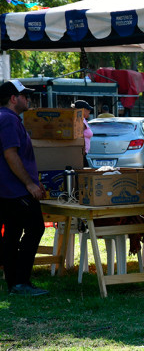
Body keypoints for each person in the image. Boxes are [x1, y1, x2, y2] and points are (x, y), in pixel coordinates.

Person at [0, 80, 48, 296]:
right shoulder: (8, 120)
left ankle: (13, 283)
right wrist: (29, 184)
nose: (28, 99)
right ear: (13, 98)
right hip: (16, 190)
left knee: (12, 234)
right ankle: (20, 282)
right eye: (24, 95)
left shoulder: (8, 118)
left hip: (10, 190)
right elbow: (10, 154)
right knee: (36, 228)